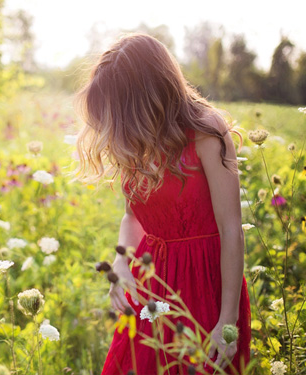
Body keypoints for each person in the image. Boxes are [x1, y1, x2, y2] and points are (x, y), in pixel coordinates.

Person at [71, 33, 251, 374]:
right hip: (152, 282)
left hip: (205, 283)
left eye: (122, 107)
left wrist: (228, 321)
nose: (118, 122)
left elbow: (231, 231)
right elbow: (132, 217)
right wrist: (121, 262)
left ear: (147, 96)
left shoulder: (206, 132)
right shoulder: (136, 139)